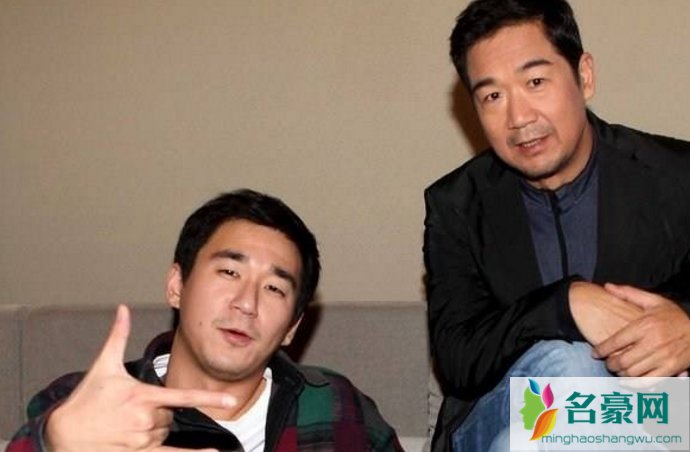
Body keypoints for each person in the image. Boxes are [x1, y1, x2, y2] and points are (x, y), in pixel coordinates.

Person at [423, 0, 690, 450]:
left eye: (535, 82)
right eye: (492, 96)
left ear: (584, 76)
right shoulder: (457, 204)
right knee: (572, 368)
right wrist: (565, 305)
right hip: (497, 410)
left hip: (659, 414)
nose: (519, 118)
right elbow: (458, 358)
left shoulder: (676, 176)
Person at [9, 189, 402, 452]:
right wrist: (56, 443)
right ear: (177, 286)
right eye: (229, 272)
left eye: (274, 288)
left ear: (292, 327)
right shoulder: (88, 404)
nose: (246, 303)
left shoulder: (337, 405)